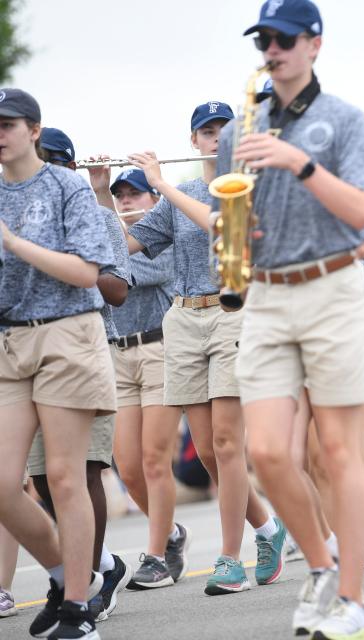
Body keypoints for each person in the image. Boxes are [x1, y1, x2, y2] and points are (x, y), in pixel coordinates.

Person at [223, 0, 364, 636]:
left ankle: (352, 603)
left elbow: (362, 214)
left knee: (342, 453)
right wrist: (235, 228)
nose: (274, 49)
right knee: (264, 451)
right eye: (265, 39)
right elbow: (228, 212)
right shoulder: (246, 124)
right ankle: (321, 568)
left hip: (333, 285)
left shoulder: (344, 118)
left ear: (314, 44)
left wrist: (300, 164)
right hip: (265, 290)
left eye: (285, 38)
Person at [125, 101, 285, 596]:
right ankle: (268, 528)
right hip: (184, 317)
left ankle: (228, 559)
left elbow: (220, 221)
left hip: (234, 313)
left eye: (224, 130)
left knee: (226, 444)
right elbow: (125, 245)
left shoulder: (248, 186)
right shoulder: (178, 194)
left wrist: (160, 187)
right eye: (206, 131)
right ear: (194, 141)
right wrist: (92, 186)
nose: (215, 137)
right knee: (213, 455)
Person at [0, 88, 112, 639]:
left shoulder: (66, 185)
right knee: (2, 482)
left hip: (68, 335)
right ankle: (67, 576)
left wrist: (12, 242)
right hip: (9, 343)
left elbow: (88, 273)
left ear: (34, 130)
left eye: (7, 123)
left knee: (64, 478)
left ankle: (76, 610)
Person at [31, 126, 135, 623]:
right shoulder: (19, 213)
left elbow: (118, 291)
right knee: (39, 478)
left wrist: (71, 262)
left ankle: (83, 590)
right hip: (29, 353)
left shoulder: (96, 216)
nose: (43, 168)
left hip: (90, 346)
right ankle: (96, 569)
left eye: (52, 160)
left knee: (85, 471)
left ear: (70, 169)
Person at [101, 167, 190, 588]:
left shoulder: (164, 239)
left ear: (154, 200)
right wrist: (99, 190)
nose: (126, 201)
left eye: (135, 194)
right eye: (119, 195)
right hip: (119, 355)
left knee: (155, 461)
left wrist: (101, 209)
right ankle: (171, 533)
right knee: (129, 469)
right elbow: (107, 251)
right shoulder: (120, 233)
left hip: (159, 350)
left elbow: (117, 274)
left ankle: (156, 556)